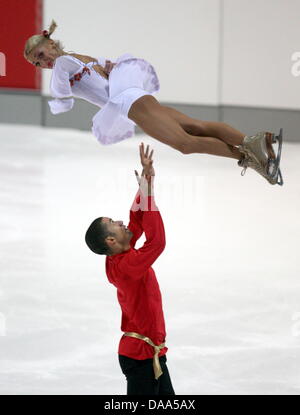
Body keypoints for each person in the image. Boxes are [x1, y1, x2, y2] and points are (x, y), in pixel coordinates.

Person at [24, 20, 283, 185]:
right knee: (195, 126)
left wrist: (59, 103)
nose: (42, 63)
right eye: (36, 63)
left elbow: (61, 97)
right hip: (136, 96)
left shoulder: (61, 63)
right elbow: (106, 68)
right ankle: (258, 142)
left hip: (130, 103)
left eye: (40, 54)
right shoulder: (75, 56)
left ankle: (253, 157)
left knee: (185, 144)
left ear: (50, 43)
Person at [85, 143, 175, 395]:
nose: (121, 222)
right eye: (113, 223)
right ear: (110, 241)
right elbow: (157, 243)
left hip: (151, 353)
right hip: (140, 358)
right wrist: (147, 195)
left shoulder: (121, 255)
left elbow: (136, 219)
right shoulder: (127, 266)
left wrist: (146, 185)